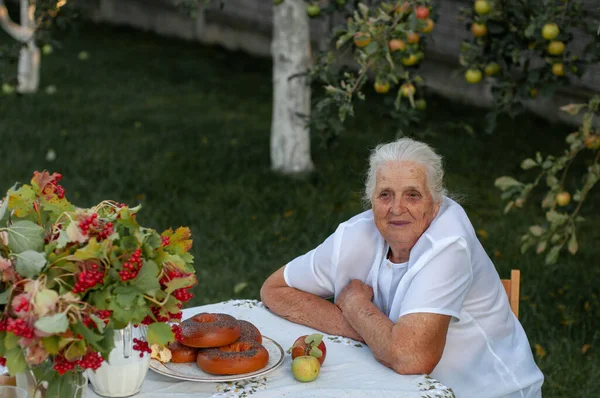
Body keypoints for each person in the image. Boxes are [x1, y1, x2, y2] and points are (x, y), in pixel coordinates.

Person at [260, 138, 544, 398]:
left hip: (490, 391)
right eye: (385, 195)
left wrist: (356, 304)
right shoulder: (355, 235)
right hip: (398, 386)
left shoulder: (449, 244)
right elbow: (274, 289)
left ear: (435, 203)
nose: (397, 208)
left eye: (412, 195)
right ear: (370, 200)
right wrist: (377, 333)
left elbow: (411, 358)